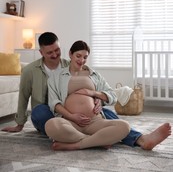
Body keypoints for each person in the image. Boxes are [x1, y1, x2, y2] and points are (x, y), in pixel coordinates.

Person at [1, 32, 171, 150]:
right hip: (52, 112)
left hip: (89, 118)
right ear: (41, 52)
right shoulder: (31, 70)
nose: (55, 55)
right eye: (50, 52)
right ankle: (96, 140)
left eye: (57, 50)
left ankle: (140, 139)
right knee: (41, 114)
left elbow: (105, 92)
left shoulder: (78, 66)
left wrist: (97, 97)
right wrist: (19, 123)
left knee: (108, 114)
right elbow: (26, 96)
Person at [45, 40, 131, 150]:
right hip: (70, 122)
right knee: (51, 125)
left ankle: (75, 145)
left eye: (85, 57)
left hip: (95, 121)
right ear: (70, 54)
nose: (82, 60)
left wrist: (94, 93)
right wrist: (71, 117)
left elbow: (113, 96)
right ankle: (96, 141)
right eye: (78, 56)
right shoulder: (56, 76)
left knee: (124, 126)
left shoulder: (94, 75)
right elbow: (53, 102)